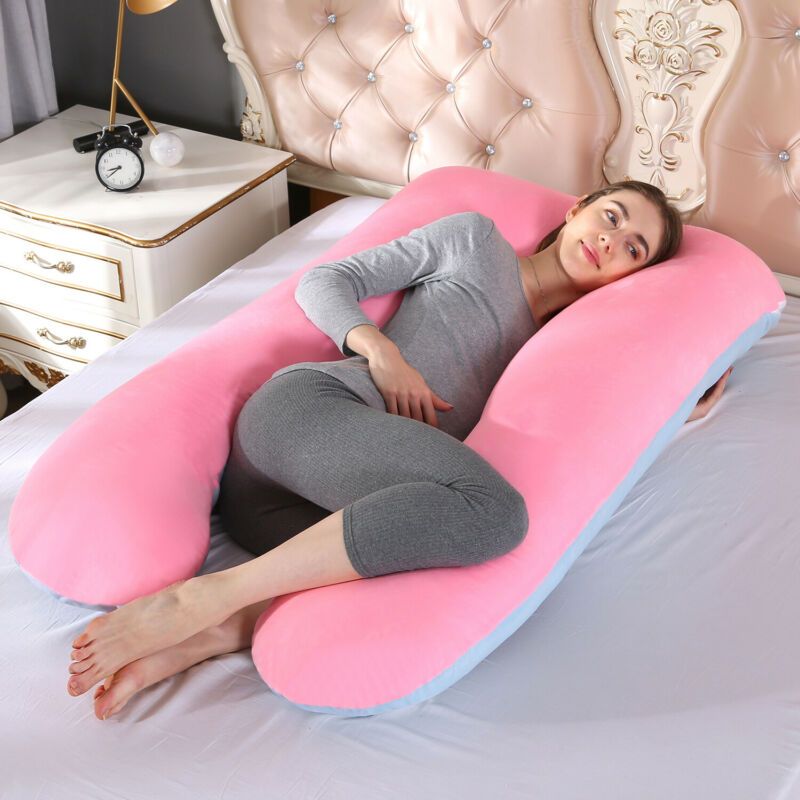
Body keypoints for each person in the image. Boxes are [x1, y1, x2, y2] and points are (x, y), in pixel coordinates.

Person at [66, 180, 731, 720]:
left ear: (631, 279)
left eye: (633, 248)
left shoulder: (568, 344)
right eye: (611, 217)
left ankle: (206, 635)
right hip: (306, 416)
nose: (611, 240)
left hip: (306, 518)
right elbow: (325, 280)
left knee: (414, 560)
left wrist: (677, 405)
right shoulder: (475, 241)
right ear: (577, 208)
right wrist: (380, 352)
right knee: (494, 512)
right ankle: (205, 597)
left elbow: (594, 432)